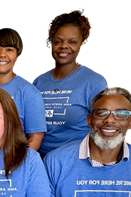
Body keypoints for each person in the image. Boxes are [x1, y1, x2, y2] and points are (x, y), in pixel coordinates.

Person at [33, 8, 107, 156]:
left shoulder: (94, 82)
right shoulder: (38, 82)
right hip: (40, 159)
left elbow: (103, 127)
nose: (64, 46)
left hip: (76, 160)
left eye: (72, 42)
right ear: (51, 43)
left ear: (82, 43)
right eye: (58, 41)